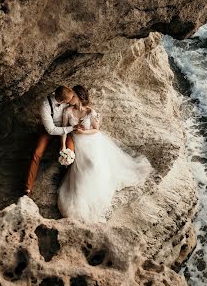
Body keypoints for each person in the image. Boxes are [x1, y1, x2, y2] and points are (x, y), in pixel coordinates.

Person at [57, 85, 152, 223]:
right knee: (83, 166)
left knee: (94, 164)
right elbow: (64, 130)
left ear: (78, 97)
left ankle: (98, 189)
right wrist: (63, 146)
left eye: (72, 96)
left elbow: (96, 130)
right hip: (77, 142)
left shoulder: (90, 112)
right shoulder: (67, 111)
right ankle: (82, 195)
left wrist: (84, 132)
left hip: (92, 140)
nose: (70, 99)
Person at [25, 85, 77, 195]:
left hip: (65, 130)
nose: (71, 101)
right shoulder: (45, 104)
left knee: (71, 152)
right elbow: (51, 130)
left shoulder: (68, 98)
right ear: (62, 101)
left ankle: (67, 185)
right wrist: (71, 128)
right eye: (68, 100)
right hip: (50, 130)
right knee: (37, 153)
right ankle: (28, 187)